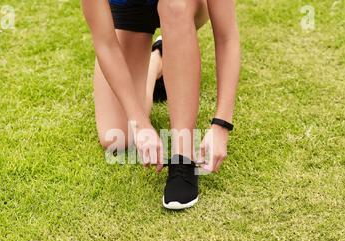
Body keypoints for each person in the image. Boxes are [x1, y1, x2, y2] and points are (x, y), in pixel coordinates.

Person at [81, 0, 241, 210]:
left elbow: (227, 37)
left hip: (183, 6)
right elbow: (105, 44)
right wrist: (139, 122)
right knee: (116, 138)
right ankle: (159, 58)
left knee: (174, 6)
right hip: (131, 8)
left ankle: (182, 157)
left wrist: (221, 125)